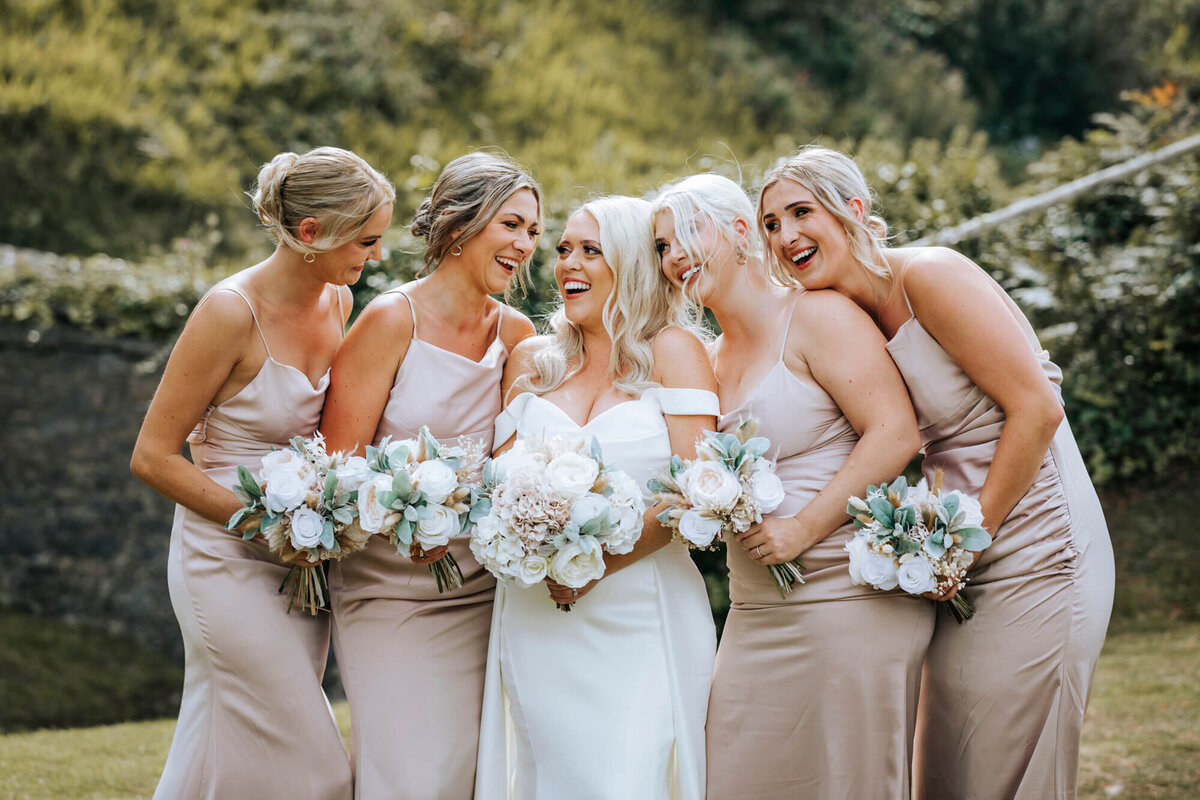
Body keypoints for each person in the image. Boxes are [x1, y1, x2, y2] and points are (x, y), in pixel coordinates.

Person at [757, 145, 1115, 800]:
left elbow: (1036, 409)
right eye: (771, 225)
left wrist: (965, 542)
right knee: (945, 766)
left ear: (853, 211)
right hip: (954, 552)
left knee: (1011, 765)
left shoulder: (930, 276)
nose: (785, 236)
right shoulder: (846, 318)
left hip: (1039, 542)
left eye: (800, 212)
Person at [652, 173, 928, 799]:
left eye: (689, 233)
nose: (675, 257)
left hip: (846, 598)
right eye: (663, 247)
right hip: (755, 611)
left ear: (742, 232)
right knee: (734, 775)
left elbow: (894, 433)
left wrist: (803, 528)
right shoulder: (707, 358)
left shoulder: (816, 315)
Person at [130, 146, 394, 799]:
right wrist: (266, 522)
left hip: (302, 565)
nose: (377, 257)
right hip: (222, 560)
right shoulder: (229, 312)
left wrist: (319, 519)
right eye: (366, 240)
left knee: (217, 745)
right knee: (315, 769)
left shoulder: (338, 299)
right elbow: (153, 456)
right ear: (311, 234)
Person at [474, 196, 718, 799]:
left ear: (632, 262)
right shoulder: (532, 360)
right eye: (562, 250)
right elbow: (497, 487)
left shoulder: (674, 351)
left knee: (627, 777)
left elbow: (699, 492)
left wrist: (598, 565)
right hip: (537, 615)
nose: (567, 264)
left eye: (591, 250)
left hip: (640, 611)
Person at [319, 151, 539, 799]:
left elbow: (514, 467)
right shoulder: (391, 320)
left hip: (479, 592)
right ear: (456, 224)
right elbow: (336, 474)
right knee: (406, 774)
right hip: (387, 589)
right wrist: (403, 511)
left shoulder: (518, 335)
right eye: (512, 225)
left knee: (465, 774)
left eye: (533, 230)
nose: (526, 245)